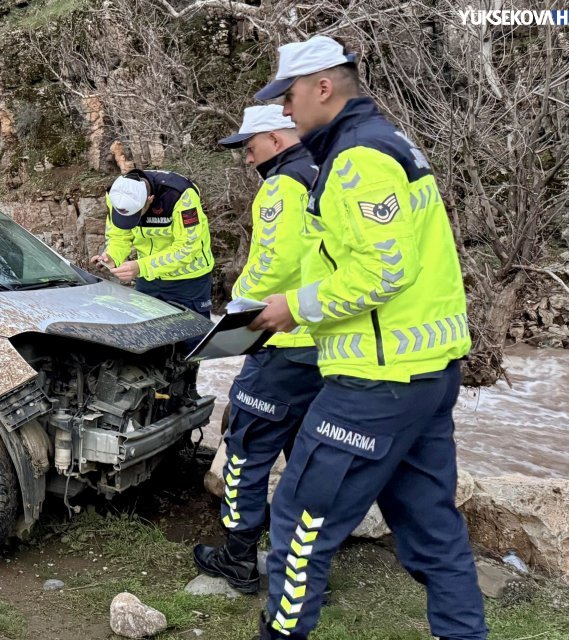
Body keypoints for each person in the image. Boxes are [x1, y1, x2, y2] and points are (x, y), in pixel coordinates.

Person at [247, 35, 487, 639]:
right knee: (433, 529)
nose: (285, 110)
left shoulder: (359, 157)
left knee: (300, 527)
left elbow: (383, 270)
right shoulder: (386, 142)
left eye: (289, 96)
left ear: (322, 88)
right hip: (425, 374)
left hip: (375, 384)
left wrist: (294, 308)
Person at [191, 105, 323, 595]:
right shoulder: (327, 171)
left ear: (274, 137)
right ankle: (306, 572)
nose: (247, 159)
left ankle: (238, 560)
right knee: (308, 459)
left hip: (281, 343)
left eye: (250, 147)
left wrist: (235, 307)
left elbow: (273, 262)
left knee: (247, 450)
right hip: (326, 345)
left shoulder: (283, 185)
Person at [95, 168, 214, 318]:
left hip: (189, 282)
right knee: (147, 333)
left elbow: (188, 247)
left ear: (150, 199)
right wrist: (112, 256)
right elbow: (119, 236)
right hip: (148, 279)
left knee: (192, 338)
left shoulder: (180, 194)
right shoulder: (117, 194)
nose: (133, 221)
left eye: (136, 214)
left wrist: (141, 266)